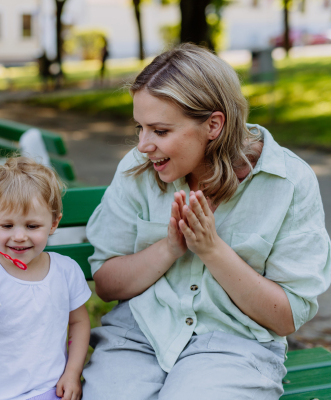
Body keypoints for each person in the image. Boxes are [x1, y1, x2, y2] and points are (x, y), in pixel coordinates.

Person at [82, 43, 331, 399]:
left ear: (213, 125)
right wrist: (169, 249)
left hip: (235, 345)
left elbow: (286, 317)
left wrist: (212, 250)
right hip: (139, 336)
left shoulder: (288, 182)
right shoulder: (137, 170)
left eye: (160, 131)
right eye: (140, 128)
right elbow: (106, 284)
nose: (143, 145)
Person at [0, 157, 92, 400]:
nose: (19, 236)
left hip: (50, 391)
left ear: (54, 223)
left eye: (32, 226)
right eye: (7, 225)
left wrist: (73, 372)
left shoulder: (65, 271)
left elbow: (79, 322)